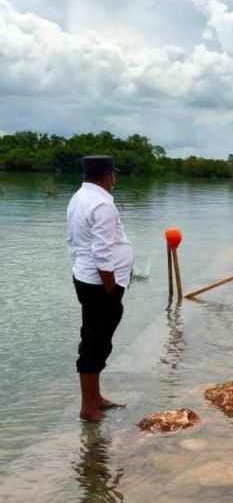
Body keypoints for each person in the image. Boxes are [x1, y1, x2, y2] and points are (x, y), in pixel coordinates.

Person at [67, 155, 134, 422]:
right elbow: (102, 251)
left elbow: (73, 242)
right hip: (100, 284)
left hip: (86, 278)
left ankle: (95, 398)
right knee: (96, 343)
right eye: (114, 174)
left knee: (95, 339)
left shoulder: (79, 197)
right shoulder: (101, 204)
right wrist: (110, 287)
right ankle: (88, 408)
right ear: (109, 176)